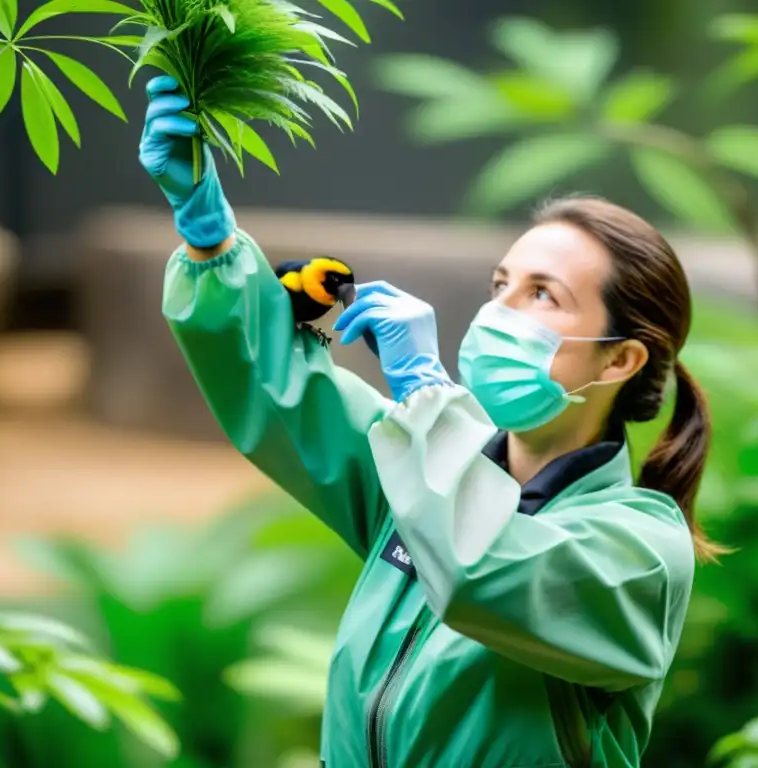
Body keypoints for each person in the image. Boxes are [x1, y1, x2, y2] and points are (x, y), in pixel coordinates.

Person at [141, 75, 725, 768]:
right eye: (501, 284)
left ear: (618, 360)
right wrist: (208, 234)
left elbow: (482, 566)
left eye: (544, 295)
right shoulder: (429, 466)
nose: (502, 311)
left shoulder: (638, 550)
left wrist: (425, 393)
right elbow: (282, 389)